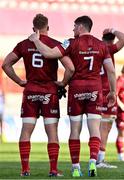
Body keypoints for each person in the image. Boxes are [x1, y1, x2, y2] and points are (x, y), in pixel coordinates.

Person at [29, 15, 116, 177]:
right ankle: (92, 162)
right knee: (94, 129)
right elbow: (111, 70)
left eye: (75, 26)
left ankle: (76, 167)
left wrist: (35, 40)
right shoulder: (101, 45)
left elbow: (48, 53)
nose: (73, 29)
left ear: (81, 27)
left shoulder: (71, 42)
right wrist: (113, 91)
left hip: (76, 89)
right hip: (95, 90)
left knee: (75, 129)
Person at [2, 13, 75, 177]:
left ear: (33, 28)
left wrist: (20, 81)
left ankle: (25, 169)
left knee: (26, 130)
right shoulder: (55, 44)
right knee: (52, 132)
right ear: (48, 28)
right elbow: (70, 68)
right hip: (49, 92)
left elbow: (6, 64)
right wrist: (63, 83)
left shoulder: (23, 44)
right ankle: (53, 170)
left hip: (31, 91)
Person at [96, 29, 124, 168]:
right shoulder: (108, 48)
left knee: (103, 126)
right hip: (107, 92)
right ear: (112, 40)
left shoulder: (97, 48)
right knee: (104, 127)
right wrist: (113, 29)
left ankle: (98, 158)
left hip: (98, 90)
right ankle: (98, 160)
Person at [116, 64, 124, 161]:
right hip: (121, 112)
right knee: (122, 133)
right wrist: (122, 106)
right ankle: (121, 154)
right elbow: (115, 94)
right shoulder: (121, 80)